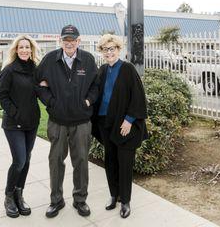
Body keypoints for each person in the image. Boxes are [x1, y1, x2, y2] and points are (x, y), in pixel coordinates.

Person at [36, 25, 99, 218]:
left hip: (81, 121)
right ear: (60, 40)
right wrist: (51, 102)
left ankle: (80, 200)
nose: (69, 43)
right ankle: (56, 200)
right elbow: (38, 84)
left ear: (79, 41)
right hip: (58, 121)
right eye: (66, 40)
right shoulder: (49, 60)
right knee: (55, 160)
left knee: (80, 160)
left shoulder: (87, 60)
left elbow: (96, 86)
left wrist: (87, 101)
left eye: (73, 40)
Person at [92, 34, 148, 219]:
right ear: (101, 52)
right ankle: (113, 195)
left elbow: (138, 96)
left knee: (124, 164)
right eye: (105, 49)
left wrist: (129, 119)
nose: (109, 52)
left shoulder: (127, 69)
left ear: (118, 49)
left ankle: (125, 201)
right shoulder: (101, 70)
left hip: (123, 124)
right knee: (110, 161)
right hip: (104, 122)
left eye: (112, 49)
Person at [0, 35, 41, 218]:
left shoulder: (35, 70)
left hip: (32, 123)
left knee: (27, 160)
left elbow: (41, 90)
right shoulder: (9, 70)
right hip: (14, 124)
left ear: (31, 50)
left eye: (27, 47)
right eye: (21, 47)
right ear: (15, 50)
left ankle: (19, 194)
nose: (24, 50)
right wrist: (15, 112)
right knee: (19, 161)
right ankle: (8, 197)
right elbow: (1, 96)